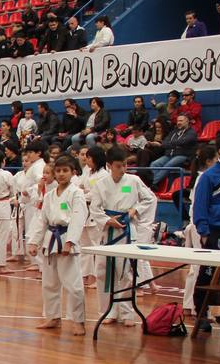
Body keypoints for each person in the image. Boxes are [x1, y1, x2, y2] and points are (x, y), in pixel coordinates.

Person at [90, 146, 156, 326]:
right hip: (107, 230)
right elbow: (94, 208)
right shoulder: (101, 184)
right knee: (103, 272)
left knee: (125, 272)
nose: (123, 169)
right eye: (118, 166)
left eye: (125, 165)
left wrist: (135, 209)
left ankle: (127, 313)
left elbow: (150, 198)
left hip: (127, 229)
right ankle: (107, 311)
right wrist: (106, 220)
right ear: (109, 165)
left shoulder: (134, 181)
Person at [27, 156, 87, 335]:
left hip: (67, 238)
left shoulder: (77, 193)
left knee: (73, 284)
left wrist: (70, 242)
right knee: (49, 283)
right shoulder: (50, 195)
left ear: (73, 173)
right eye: (58, 171)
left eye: (65, 171)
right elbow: (41, 220)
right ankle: (53, 317)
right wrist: (34, 241)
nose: (61, 174)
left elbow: (78, 218)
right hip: (50, 240)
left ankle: (78, 321)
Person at [149, 113, 198, 184]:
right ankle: (157, 184)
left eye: (181, 121)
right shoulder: (174, 132)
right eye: (178, 121)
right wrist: (173, 144)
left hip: (183, 155)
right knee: (154, 164)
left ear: (187, 122)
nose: (179, 123)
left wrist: (170, 143)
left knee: (168, 165)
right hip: (169, 155)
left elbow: (182, 142)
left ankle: (152, 183)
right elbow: (165, 142)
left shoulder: (192, 133)